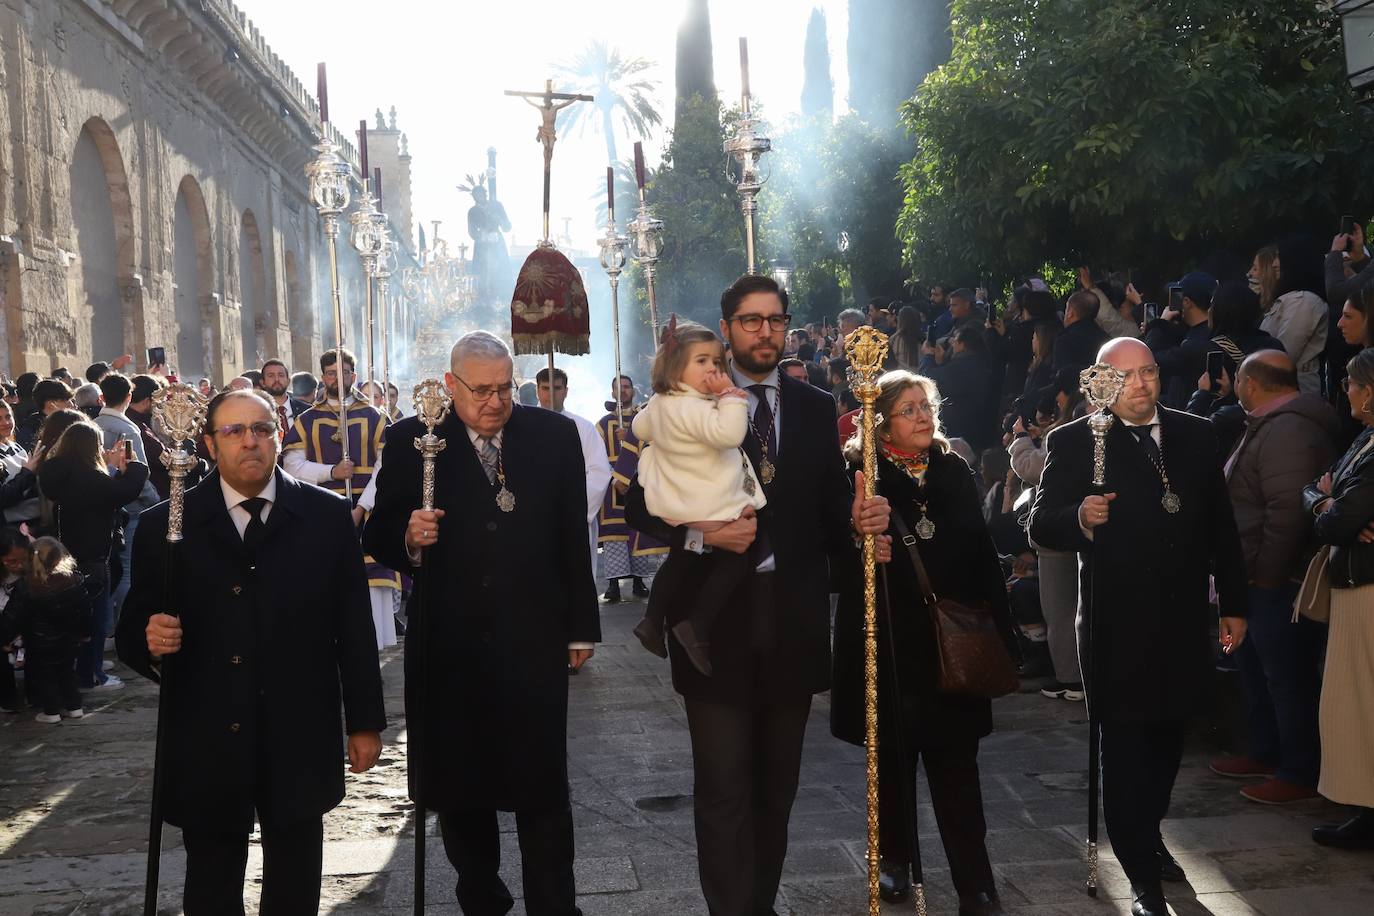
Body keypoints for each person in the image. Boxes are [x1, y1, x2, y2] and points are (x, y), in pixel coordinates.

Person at [625, 275, 891, 916]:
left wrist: (859, 522)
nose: (765, 331)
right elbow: (640, 499)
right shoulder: (687, 395)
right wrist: (699, 528)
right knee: (723, 788)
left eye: (775, 320)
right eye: (750, 320)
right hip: (711, 625)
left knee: (777, 790)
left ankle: (760, 905)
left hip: (793, 622)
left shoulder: (811, 405)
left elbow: (828, 505)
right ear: (727, 328)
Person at [116, 388, 385, 915]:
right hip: (207, 731)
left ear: (279, 436)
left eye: (261, 429)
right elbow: (132, 631)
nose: (250, 442)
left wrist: (365, 722)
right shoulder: (166, 524)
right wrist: (151, 641)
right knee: (212, 880)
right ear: (211, 445)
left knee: (295, 877)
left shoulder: (327, 518)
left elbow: (353, 628)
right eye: (234, 431)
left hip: (299, 727)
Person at [363, 330, 599, 916]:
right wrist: (408, 539)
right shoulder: (412, 440)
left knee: (542, 787)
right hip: (451, 644)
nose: (495, 402)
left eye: (504, 389)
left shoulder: (552, 435)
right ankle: (481, 898)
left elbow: (572, 534)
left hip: (533, 636)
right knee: (462, 789)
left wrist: (580, 626)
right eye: (481, 390)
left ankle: (555, 905)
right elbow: (377, 530)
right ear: (450, 385)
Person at [1028, 337, 1248, 916]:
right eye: (1126, 378)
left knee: (1168, 743)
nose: (1142, 385)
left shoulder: (1195, 434)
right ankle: (1141, 876)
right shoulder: (1077, 440)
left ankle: (1148, 832)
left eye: (1148, 372)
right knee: (1124, 748)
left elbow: (1221, 527)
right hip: (1114, 621)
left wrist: (1234, 602)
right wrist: (1080, 516)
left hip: (1178, 619)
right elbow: (1041, 524)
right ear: (1101, 381)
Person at [831, 370, 1016, 914]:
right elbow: (836, 559)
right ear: (882, 419)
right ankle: (894, 860)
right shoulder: (858, 472)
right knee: (892, 761)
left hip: (952, 639)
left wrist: (1001, 630)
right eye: (909, 409)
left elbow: (981, 551)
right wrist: (863, 549)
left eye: (926, 406)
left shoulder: (953, 467)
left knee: (958, 766)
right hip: (889, 639)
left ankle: (975, 884)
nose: (923, 417)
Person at [1207, 351, 1337, 804]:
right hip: (1251, 576)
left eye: (1238, 379)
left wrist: (1265, 578)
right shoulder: (1268, 423)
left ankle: (1298, 770)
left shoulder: (1290, 428)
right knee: (1255, 669)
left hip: (1275, 581)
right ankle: (1264, 751)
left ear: (1252, 384)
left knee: (1286, 676)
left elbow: (1286, 513)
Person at [628, 319, 768, 674]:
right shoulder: (700, 407)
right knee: (734, 561)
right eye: (701, 361)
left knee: (681, 557)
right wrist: (731, 398)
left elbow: (638, 428)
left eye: (717, 362)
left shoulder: (662, 403)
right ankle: (697, 624)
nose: (712, 369)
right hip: (712, 508)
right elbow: (730, 434)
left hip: (678, 508)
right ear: (676, 368)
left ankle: (652, 618)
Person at [283, 349, 400, 650]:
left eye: (344, 372)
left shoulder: (375, 417)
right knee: (324, 579)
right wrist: (331, 471)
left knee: (370, 580)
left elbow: (385, 468)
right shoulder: (306, 420)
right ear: (323, 377)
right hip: (320, 511)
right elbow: (292, 466)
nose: (338, 378)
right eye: (331, 373)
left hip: (368, 511)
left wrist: (361, 508)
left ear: (353, 375)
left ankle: (371, 650)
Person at [1305, 347, 1374, 850]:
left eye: (1351, 383)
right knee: (1352, 704)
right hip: (1354, 583)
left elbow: (1339, 521)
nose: (1345, 391)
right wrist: (1326, 500)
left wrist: (1329, 505)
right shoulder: (1364, 440)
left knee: (1362, 703)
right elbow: (1318, 495)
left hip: (1368, 589)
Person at [38, 420, 148, 691]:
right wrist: (133, 468)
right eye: (98, 445)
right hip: (93, 556)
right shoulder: (88, 477)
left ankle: (87, 667)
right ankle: (90, 675)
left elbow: (105, 494)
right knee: (94, 620)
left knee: (75, 620)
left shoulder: (58, 473)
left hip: (65, 554)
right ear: (90, 447)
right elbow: (121, 493)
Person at [0, 537, 93, 723]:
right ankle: (74, 707)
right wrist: (86, 632)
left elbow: (13, 616)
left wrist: (5, 639)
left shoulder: (27, 587)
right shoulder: (74, 581)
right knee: (67, 672)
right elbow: (85, 610)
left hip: (39, 642)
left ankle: (51, 712)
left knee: (46, 676)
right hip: (69, 639)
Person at [536, 367, 614, 584]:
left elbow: (599, 471)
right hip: (533, 518)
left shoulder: (583, 428)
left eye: (557, 388)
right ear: (537, 391)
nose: (551, 393)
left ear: (566, 391)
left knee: (575, 580)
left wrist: (574, 510)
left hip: (574, 518)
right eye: (545, 388)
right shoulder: (521, 425)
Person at [94, 373, 161, 617]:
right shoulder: (127, 429)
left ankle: (111, 626)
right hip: (132, 505)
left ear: (102, 397)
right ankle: (122, 624)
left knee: (112, 568)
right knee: (127, 568)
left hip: (105, 502)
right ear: (129, 397)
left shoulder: (93, 425)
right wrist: (152, 500)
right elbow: (139, 471)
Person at [596, 376, 660, 603]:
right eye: (618, 388)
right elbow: (596, 457)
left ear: (633, 390)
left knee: (639, 528)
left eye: (627, 387)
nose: (623, 391)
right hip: (613, 484)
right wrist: (614, 477)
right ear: (612, 392)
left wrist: (633, 436)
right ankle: (613, 584)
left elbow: (656, 444)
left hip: (641, 479)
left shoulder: (645, 418)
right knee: (615, 536)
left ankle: (639, 580)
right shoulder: (602, 424)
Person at [1252, 239, 1329, 396]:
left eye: (1279, 257)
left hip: (1293, 398)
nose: (1274, 264)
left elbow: (1284, 353)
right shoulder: (1289, 299)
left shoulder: (1304, 301)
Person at [1143, 271, 1218, 408]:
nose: (1173, 302)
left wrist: (1160, 324)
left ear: (1186, 302)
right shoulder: (1209, 331)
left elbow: (1149, 357)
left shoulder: (1195, 343)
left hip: (1186, 415)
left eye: (1178, 297)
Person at [921, 324, 998, 453]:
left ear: (962, 345)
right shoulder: (981, 361)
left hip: (962, 426)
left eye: (955, 341)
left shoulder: (963, 366)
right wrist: (941, 361)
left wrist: (928, 357)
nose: (953, 344)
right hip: (981, 423)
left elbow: (929, 380)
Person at [0, 400, 41, 527]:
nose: (6, 423)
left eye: (8, 417)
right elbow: (3, 497)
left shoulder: (17, 447)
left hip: (35, 520)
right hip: (11, 529)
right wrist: (27, 472)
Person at [1053, 290, 1110, 377]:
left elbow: (1060, 376)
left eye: (1066, 309)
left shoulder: (1066, 339)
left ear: (1070, 313)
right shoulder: (1105, 338)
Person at [16, 379, 74, 452]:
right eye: (66, 399)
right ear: (51, 403)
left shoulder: (69, 421)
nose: (71, 404)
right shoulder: (31, 428)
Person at [260, 359, 311, 436]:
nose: (277, 379)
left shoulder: (307, 411)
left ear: (288, 381)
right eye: (271, 376)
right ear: (262, 382)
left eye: (281, 375)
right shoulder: (257, 412)